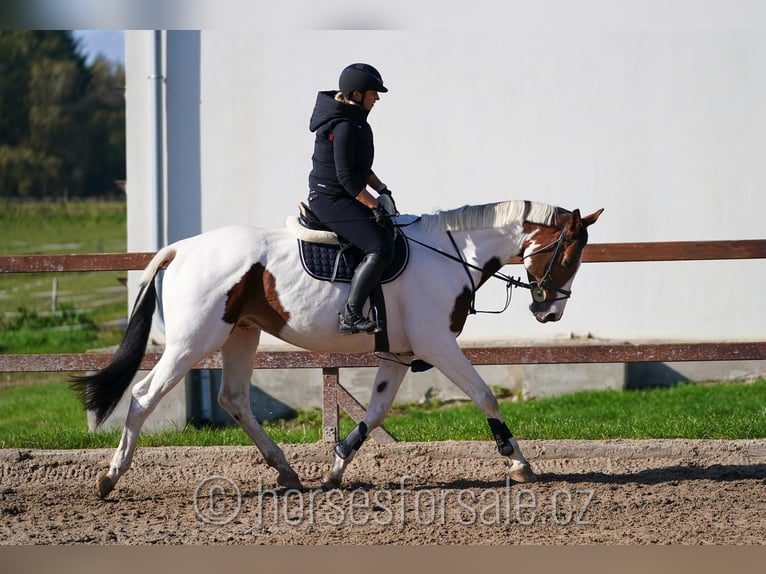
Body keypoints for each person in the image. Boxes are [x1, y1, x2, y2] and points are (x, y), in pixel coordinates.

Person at [307, 63, 398, 335]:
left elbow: (361, 169)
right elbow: (347, 179)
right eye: (374, 93)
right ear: (357, 94)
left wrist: (382, 190)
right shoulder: (344, 126)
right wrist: (373, 206)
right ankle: (351, 314)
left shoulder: (356, 122)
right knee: (379, 247)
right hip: (329, 198)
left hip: (344, 193)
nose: (377, 98)